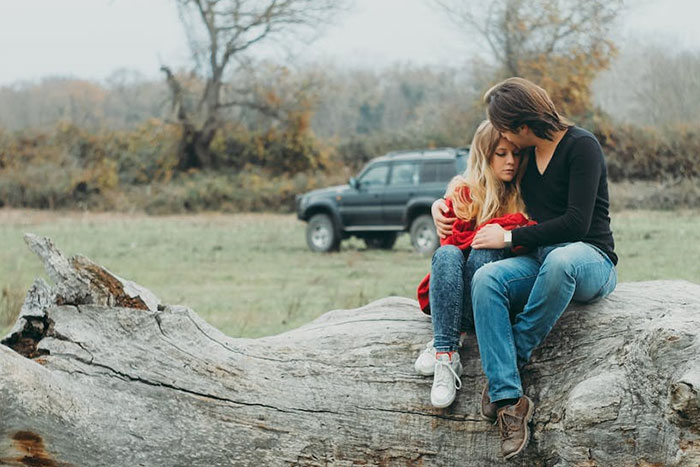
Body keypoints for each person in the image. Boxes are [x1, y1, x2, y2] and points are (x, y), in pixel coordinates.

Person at [433, 77, 618, 460]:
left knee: (560, 259)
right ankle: (509, 401)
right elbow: (480, 183)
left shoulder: (582, 146)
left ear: (521, 124)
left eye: (503, 126)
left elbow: (576, 223)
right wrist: (441, 204)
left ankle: (510, 359)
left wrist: (507, 239)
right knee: (486, 279)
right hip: (539, 258)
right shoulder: (526, 157)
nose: (504, 138)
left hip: (588, 258)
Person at [413, 119, 534, 409]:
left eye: (516, 154)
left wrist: (502, 235)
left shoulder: (525, 193)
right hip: (456, 291)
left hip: (493, 298)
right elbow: (449, 249)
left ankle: (445, 339)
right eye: (501, 154)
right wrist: (438, 206)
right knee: (446, 254)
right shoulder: (464, 192)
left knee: (483, 253)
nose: (511, 162)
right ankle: (446, 355)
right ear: (484, 154)